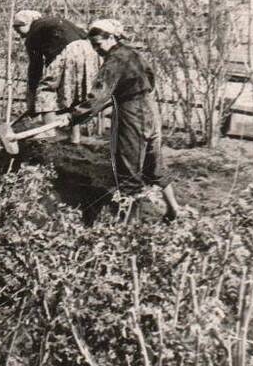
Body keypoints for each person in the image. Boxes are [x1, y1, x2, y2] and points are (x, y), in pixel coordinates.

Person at [69, 18, 181, 222]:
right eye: (93, 46)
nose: (97, 50)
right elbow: (150, 79)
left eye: (99, 44)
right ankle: (174, 211)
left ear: (111, 37)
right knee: (153, 165)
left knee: (128, 171)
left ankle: (127, 228)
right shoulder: (133, 54)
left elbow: (98, 96)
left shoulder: (114, 61)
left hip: (132, 114)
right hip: (150, 109)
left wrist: (73, 116)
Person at [12, 9, 98, 123]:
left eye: (18, 28)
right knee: (74, 91)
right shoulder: (53, 22)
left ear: (27, 22)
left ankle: (48, 131)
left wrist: (32, 93)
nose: (19, 33)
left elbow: (35, 67)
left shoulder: (33, 32)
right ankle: (75, 137)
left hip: (68, 52)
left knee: (45, 90)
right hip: (89, 51)